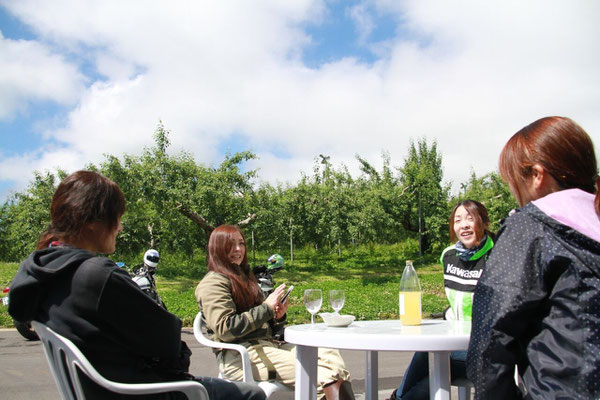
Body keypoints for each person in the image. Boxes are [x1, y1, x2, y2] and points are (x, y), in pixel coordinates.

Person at [8, 171, 265, 400]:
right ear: (91, 221)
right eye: (116, 218)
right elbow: (169, 343)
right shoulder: (96, 277)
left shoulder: (39, 273)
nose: (120, 227)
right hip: (139, 391)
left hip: (95, 390)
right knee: (251, 393)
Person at [467, 116, 600, 399]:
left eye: (514, 181)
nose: (514, 193)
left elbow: (491, 336)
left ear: (537, 175)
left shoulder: (532, 226)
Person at [195, 225, 355, 400]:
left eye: (241, 243)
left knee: (329, 354)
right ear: (217, 249)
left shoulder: (244, 277)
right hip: (241, 356)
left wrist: (277, 317)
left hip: (268, 346)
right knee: (320, 374)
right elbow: (226, 329)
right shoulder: (213, 283)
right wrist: (267, 308)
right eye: (230, 245)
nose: (238, 249)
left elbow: (263, 326)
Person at [390, 200, 494, 400]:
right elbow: (458, 301)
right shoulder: (449, 256)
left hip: (486, 348)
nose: (463, 224)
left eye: (470, 219)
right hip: (456, 340)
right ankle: (399, 398)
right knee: (427, 350)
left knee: (436, 363)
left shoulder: (497, 253)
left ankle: (398, 398)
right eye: (457, 220)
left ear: (484, 222)